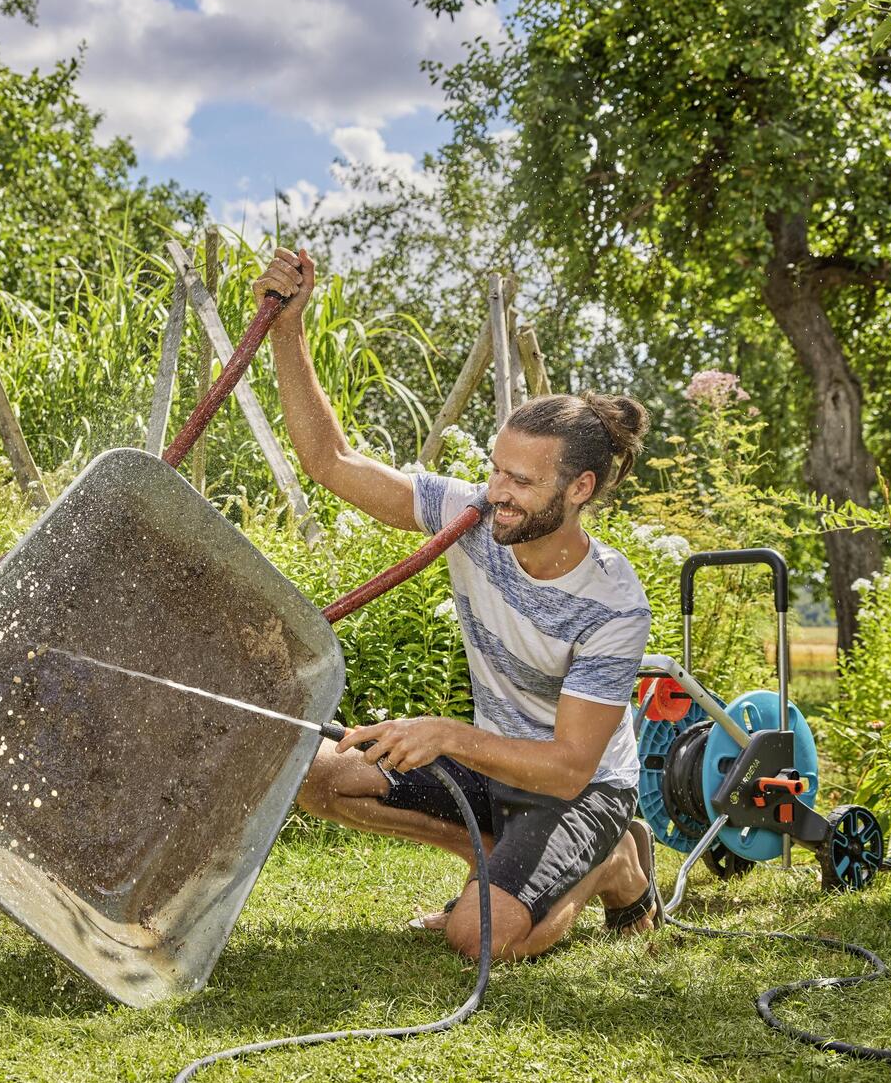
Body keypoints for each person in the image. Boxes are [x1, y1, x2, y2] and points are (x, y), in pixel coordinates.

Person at [255, 248, 659, 961]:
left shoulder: (612, 603)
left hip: (579, 791)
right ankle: (503, 858)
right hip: (494, 770)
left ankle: (613, 865)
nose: (495, 492)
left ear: (580, 490)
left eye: (521, 481)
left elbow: (569, 765)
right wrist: (289, 331)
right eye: (495, 469)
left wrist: (446, 734)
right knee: (316, 773)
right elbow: (331, 462)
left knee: (478, 937)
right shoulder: (470, 515)